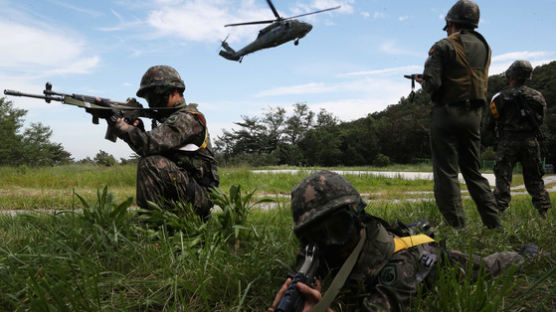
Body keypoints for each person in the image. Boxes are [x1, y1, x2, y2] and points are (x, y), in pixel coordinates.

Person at [269, 170, 536, 312]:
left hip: (429, 261)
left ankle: (523, 256)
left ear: (357, 218)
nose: (328, 241)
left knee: (485, 267)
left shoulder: (396, 267)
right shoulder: (320, 250)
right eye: (315, 234)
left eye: (337, 228)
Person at [415, 0, 500, 229]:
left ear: (451, 23)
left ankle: (457, 227)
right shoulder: (485, 46)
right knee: (473, 172)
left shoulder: (443, 46)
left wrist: (423, 81)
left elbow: (433, 84)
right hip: (474, 116)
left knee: (446, 173)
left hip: (447, 114)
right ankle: (494, 223)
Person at [110, 65, 219, 220]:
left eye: (155, 97)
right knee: (151, 161)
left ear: (175, 92)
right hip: (189, 189)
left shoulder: (186, 119)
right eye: (149, 99)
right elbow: (152, 148)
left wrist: (117, 124)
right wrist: (136, 129)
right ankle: (162, 218)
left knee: (150, 164)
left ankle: (151, 227)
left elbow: (148, 145)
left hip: (201, 196)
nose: (152, 104)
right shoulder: (170, 119)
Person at [483, 60, 551, 217]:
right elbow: (540, 121)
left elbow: (489, 123)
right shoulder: (538, 97)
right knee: (535, 180)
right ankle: (544, 215)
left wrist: (492, 142)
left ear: (511, 74)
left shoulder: (500, 97)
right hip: (531, 142)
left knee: (503, 180)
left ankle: (497, 217)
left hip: (507, 143)